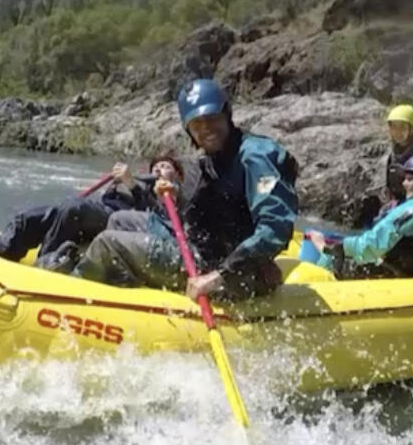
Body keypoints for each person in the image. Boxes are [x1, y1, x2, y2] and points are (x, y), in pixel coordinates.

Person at [74, 78, 298, 300]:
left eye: (211, 119)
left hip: (229, 270)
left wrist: (219, 276)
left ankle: (72, 300)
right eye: (197, 124)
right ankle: (123, 294)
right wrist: (171, 196)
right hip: (201, 248)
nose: (206, 129)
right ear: (188, 130)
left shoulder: (256, 156)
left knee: (107, 243)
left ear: (227, 113)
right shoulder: (211, 160)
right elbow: (198, 213)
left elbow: (275, 227)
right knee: (120, 220)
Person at [0, 153, 184, 269]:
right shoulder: (137, 181)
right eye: (155, 165)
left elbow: (155, 222)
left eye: (165, 166)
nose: (158, 169)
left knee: (74, 208)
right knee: (31, 217)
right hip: (99, 212)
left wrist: (132, 184)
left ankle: (42, 267)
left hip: (118, 226)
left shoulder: (173, 192)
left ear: (177, 174)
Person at [307, 153, 413, 279]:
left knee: (330, 257)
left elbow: (374, 243)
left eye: (410, 179)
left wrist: (340, 247)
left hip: (393, 273)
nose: (403, 184)